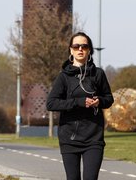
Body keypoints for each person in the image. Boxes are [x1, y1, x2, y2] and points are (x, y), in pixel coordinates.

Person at [46, 32, 114, 180]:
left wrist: (99, 101)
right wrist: (78, 102)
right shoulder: (64, 77)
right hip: (69, 137)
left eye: (84, 46)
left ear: (89, 50)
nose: (80, 49)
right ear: (71, 50)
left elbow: (109, 99)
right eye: (76, 46)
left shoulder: (98, 74)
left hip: (93, 137)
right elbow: (51, 103)